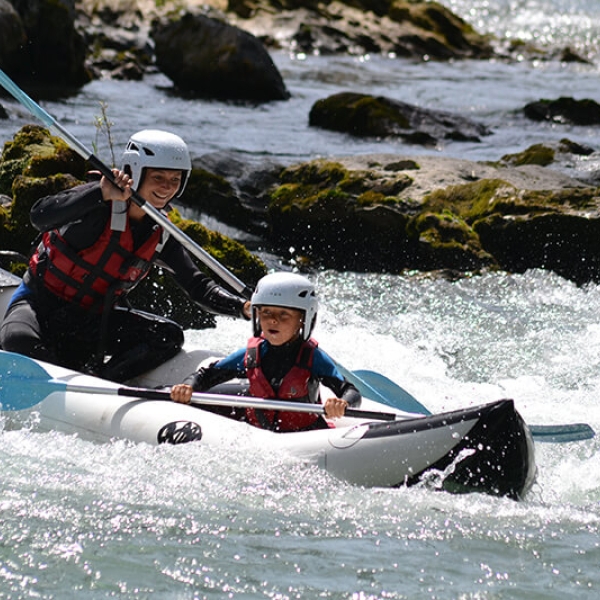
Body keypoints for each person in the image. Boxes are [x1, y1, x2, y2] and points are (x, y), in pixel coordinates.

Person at [0, 129, 251, 382]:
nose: (167, 187)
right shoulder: (97, 204)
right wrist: (101, 192)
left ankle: (101, 381)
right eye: (158, 177)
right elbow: (39, 216)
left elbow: (198, 286)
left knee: (168, 335)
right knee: (18, 340)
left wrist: (243, 307)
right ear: (135, 172)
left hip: (91, 324)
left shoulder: (161, 233)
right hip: (39, 306)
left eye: (175, 179)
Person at [169, 272, 361, 432]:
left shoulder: (313, 358)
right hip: (255, 425)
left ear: (303, 319)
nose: (272, 320)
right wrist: (188, 387)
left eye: (284, 314)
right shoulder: (252, 354)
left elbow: (350, 391)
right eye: (266, 312)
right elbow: (206, 375)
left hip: (304, 432)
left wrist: (342, 404)